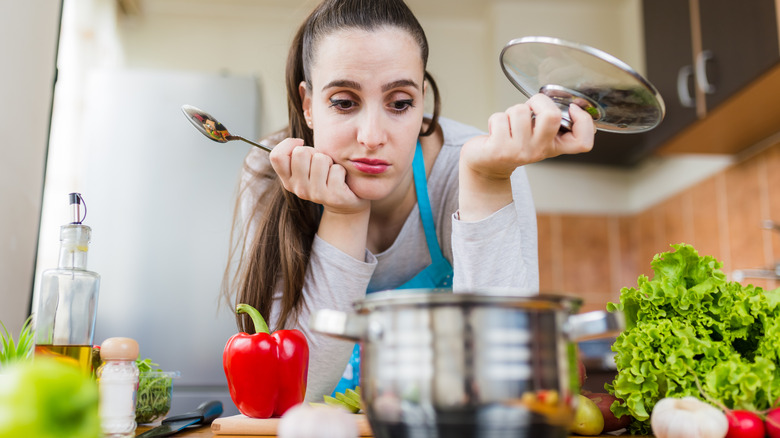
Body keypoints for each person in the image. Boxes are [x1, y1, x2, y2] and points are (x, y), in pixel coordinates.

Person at [223, 0, 595, 403]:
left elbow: (512, 381)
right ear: (308, 105)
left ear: (421, 102)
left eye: (399, 103)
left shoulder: (474, 165)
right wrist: (344, 215)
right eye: (344, 102)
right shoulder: (267, 173)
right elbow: (294, 394)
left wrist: (486, 182)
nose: (371, 136)